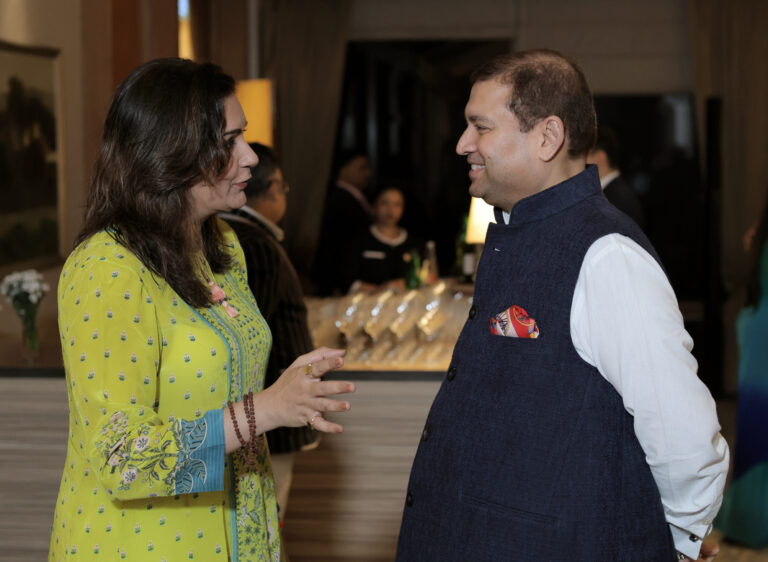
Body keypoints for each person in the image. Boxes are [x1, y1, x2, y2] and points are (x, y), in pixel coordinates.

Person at [396, 49, 728, 562]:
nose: (463, 145)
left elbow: (685, 437)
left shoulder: (605, 255)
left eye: (479, 127)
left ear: (547, 137)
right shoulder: (524, 234)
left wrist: (675, 547)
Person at [49, 58, 355, 561]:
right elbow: (124, 458)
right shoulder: (106, 267)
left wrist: (283, 388)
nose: (251, 157)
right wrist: (267, 409)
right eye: (229, 141)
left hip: (239, 533)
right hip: (147, 546)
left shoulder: (222, 245)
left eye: (244, 137)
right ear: (171, 153)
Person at [219, 142, 319, 523]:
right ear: (272, 187)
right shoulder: (253, 243)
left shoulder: (240, 236)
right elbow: (247, 338)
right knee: (264, 524)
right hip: (262, 421)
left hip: (257, 418)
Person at [714, 198, 768, 548]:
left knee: (756, 430)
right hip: (762, 339)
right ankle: (752, 518)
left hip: (757, 333)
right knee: (758, 432)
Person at [339, 186, 422, 294]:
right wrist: (381, 289)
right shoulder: (359, 241)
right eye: (384, 203)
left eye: (397, 204)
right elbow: (346, 280)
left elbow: (424, 277)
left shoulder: (414, 245)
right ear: (374, 207)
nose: (390, 210)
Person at [312, 149, 373, 295]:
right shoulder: (339, 199)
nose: (367, 173)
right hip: (340, 280)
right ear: (344, 170)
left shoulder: (353, 197)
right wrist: (339, 283)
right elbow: (335, 244)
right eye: (361, 168)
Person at [587, 125, 646, 230]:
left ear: (600, 157)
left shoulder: (617, 199)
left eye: (585, 155)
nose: (581, 163)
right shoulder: (615, 192)